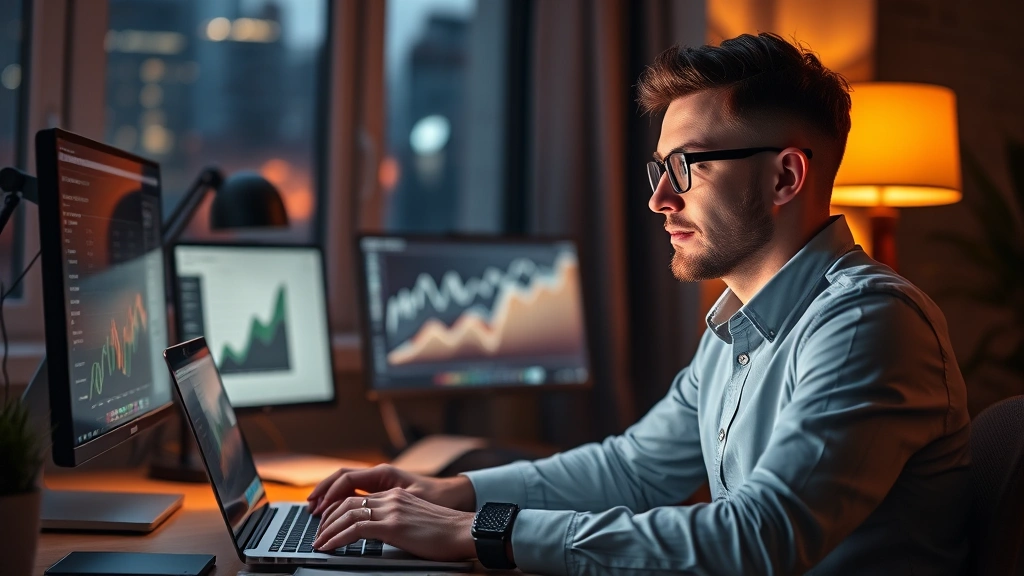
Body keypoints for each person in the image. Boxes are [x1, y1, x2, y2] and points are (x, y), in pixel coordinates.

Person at [306, 33, 971, 575]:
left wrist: (479, 530)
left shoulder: (867, 323)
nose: (659, 200)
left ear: (784, 176)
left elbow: (760, 539)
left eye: (687, 167)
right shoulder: (736, 327)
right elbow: (633, 469)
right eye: (660, 169)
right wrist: (457, 494)